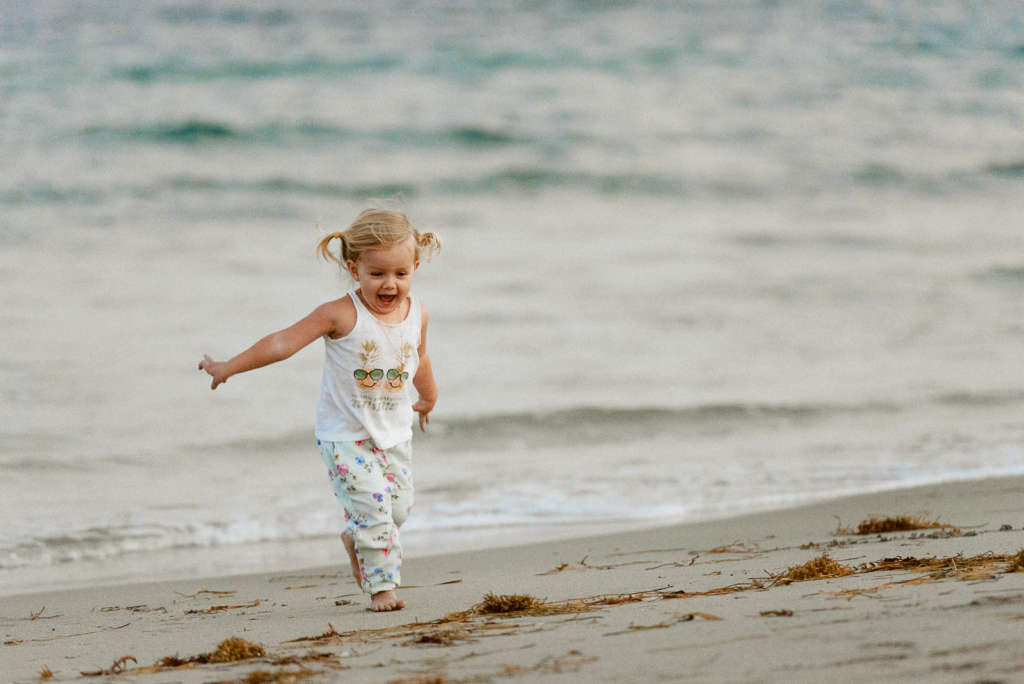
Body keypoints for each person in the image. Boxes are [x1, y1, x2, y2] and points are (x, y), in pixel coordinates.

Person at [198, 209, 440, 612]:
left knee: (396, 510)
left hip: (394, 433)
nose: (389, 284)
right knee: (377, 515)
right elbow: (281, 344)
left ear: (414, 267)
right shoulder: (339, 314)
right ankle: (383, 589)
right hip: (345, 437)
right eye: (377, 273)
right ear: (353, 268)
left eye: (400, 273)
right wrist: (228, 367)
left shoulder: (418, 313)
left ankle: (354, 537)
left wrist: (429, 397)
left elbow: (421, 358)